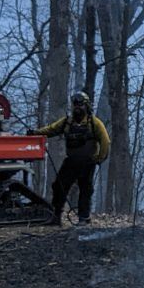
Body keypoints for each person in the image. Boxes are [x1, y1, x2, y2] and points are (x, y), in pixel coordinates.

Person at [31, 92, 110, 226]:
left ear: (87, 106)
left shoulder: (95, 123)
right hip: (71, 161)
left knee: (85, 190)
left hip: (87, 162)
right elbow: (51, 130)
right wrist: (35, 133)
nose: (77, 107)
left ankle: (84, 218)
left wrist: (99, 158)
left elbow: (105, 141)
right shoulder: (67, 122)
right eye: (75, 105)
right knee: (59, 186)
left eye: (80, 104)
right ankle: (55, 216)